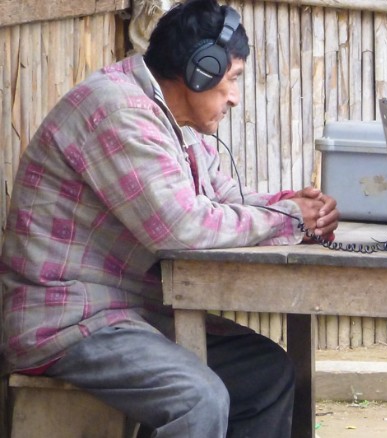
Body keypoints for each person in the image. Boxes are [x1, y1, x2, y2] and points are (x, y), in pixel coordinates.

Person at [0, 0, 339, 436]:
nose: (235, 97)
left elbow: (224, 196)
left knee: (266, 372)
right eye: (232, 79)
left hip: (126, 309)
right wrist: (291, 219)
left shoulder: (173, 122)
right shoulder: (121, 114)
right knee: (196, 399)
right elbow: (183, 227)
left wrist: (293, 205)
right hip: (67, 319)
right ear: (200, 70)